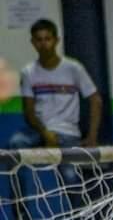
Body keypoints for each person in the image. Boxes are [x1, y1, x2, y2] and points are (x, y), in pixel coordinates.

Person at [10, 19, 102, 152]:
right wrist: (45, 133)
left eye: (47, 39)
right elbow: (28, 111)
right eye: (39, 40)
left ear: (56, 40)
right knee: (16, 145)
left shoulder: (73, 68)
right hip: (38, 130)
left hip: (67, 131)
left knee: (69, 173)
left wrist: (92, 137)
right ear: (33, 43)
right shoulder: (28, 72)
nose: (43, 44)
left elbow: (95, 100)